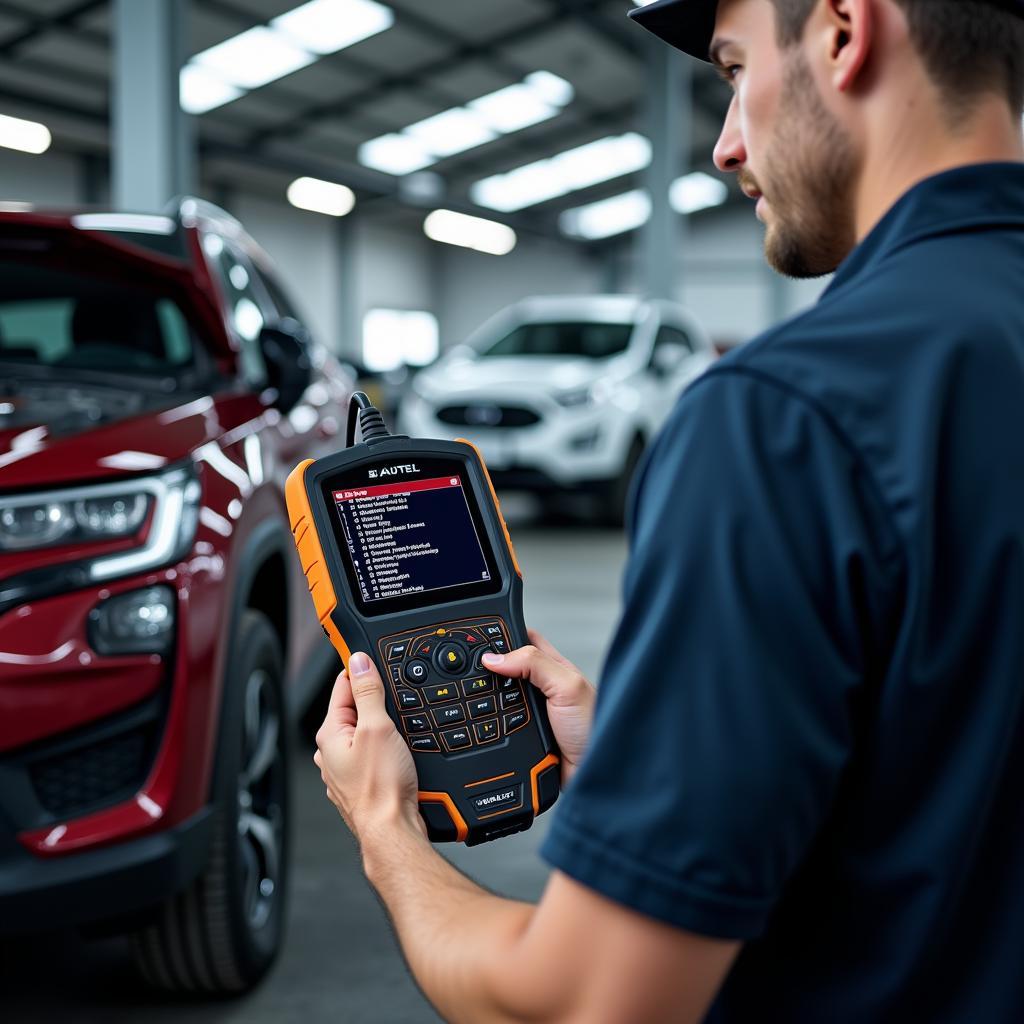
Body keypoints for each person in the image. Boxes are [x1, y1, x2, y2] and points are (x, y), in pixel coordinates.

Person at [314, 0, 1024, 1019]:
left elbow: (585, 1003)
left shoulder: (782, 419)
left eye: (735, 71)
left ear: (840, 31)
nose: (728, 144)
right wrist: (663, 758)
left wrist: (384, 828)